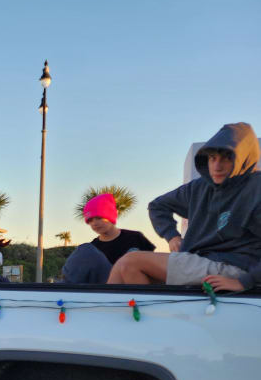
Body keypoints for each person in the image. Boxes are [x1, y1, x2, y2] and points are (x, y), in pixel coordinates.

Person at [108, 122, 261, 290]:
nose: (217, 167)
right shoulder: (199, 187)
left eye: (226, 158)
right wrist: (172, 236)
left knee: (131, 262)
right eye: (212, 158)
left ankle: (143, 306)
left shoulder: (256, 189)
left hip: (236, 266)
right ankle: (109, 306)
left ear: (243, 158)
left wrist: (243, 282)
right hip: (201, 259)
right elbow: (157, 206)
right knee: (120, 267)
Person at [82, 193, 155, 265]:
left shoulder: (135, 237)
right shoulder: (92, 249)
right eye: (90, 220)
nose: (95, 223)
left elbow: (152, 263)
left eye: (99, 218)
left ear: (110, 215)